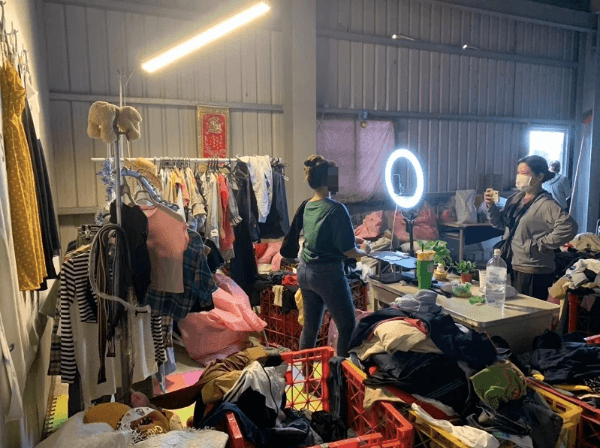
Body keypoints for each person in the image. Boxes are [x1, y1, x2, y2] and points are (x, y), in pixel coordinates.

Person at [295, 155, 368, 357]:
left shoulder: (309, 205)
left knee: (310, 329)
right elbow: (349, 251)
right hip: (326, 274)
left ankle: (302, 372)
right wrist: (366, 251)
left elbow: (321, 237)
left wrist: (351, 240)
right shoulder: (336, 209)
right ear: (329, 180)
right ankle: (339, 374)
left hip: (305, 271)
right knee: (347, 326)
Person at [485, 155, 577, 300]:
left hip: (533, 268)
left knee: (528, 311)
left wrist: (541, 244)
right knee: (510, 307)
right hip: (511, 261)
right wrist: (491, 206)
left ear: (539, 176)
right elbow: (501, 224)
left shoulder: (546, 204)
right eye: (518, 173)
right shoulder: (515, 199)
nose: (519, 177)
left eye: (525, 173)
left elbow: (569, 227)